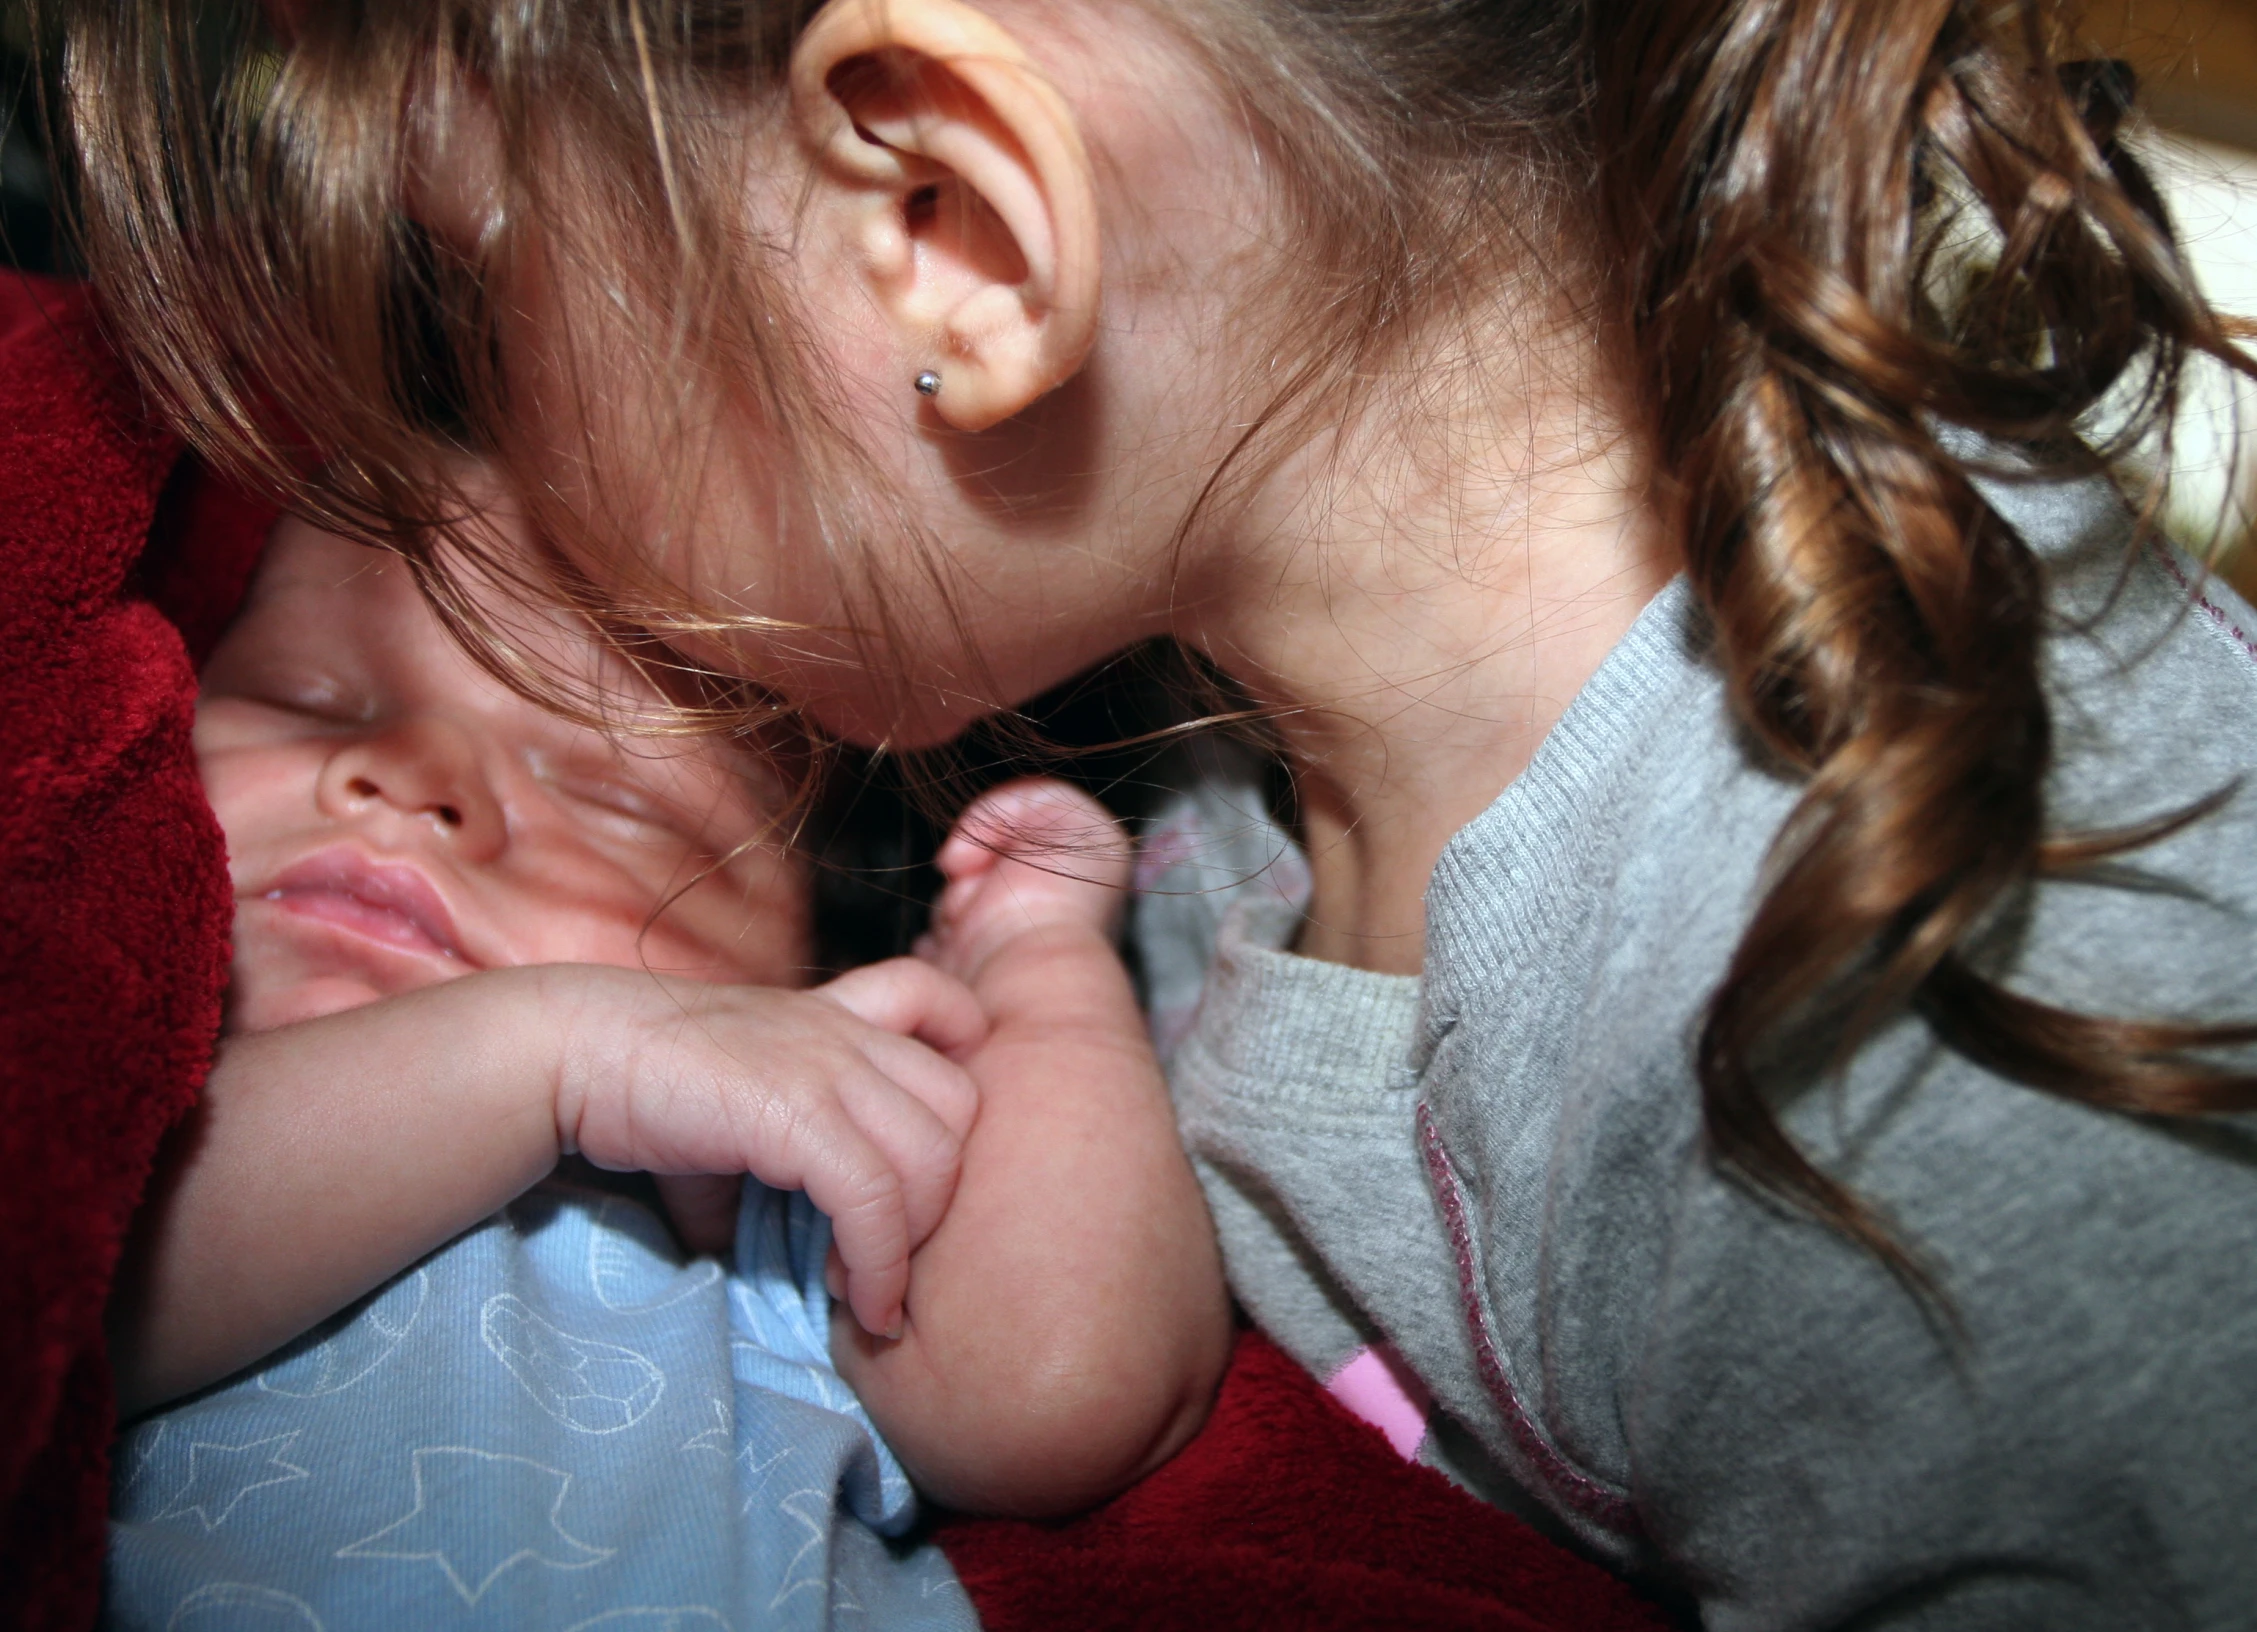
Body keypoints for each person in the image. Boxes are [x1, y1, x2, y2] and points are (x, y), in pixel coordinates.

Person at [62, 0, 2257, 1621]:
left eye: (497, 300)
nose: (505, 453)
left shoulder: (1954, 1030)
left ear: (953, 236)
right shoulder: (1169, 721)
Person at [103, 494, 1228, 1624]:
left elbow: (1059, 1396)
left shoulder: (781, 1228)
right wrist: (561, 1052)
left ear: (799, 994)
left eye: (615, 805)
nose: (413, 774)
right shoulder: (133, 1119)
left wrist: (1031, 974)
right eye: (306, 699)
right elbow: (63, 1290)